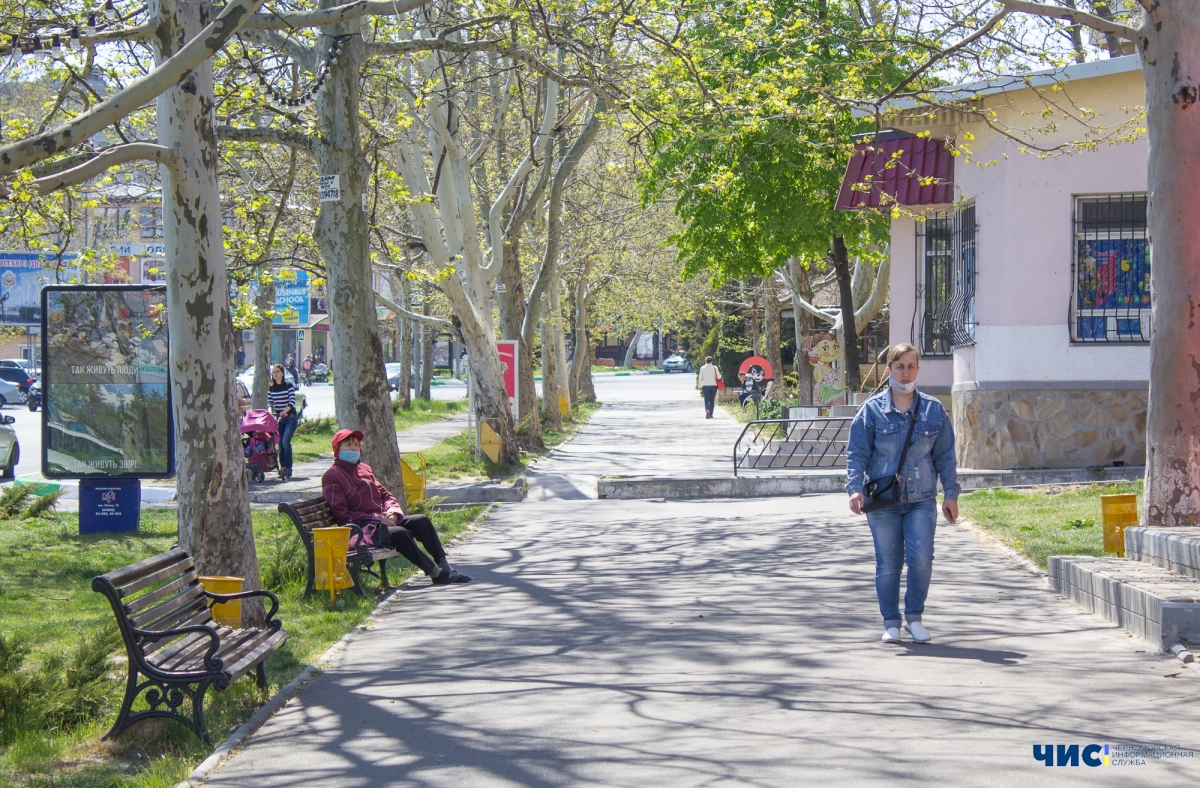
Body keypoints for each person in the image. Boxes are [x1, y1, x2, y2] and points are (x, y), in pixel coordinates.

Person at [846, 344, 959, 645]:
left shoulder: (934, 410)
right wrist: (855, 489)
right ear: (889, 370)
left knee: (921, 558)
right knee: (888, 562)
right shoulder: (870, 411)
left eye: (911, 366)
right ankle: (891, 621)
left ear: (918, 370)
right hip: (884, 502)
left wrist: (951, 494)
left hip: (922, 499)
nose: (905, 372)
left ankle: (914, 617)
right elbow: (856, 454)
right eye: (899, 367)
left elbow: (945, 457)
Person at [322, 429, 471, 585]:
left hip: (381, 522)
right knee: (400, 533)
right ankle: (435, 573)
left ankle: (445, 566)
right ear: (337, 450)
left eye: (356, 444)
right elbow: (342, 516)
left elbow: (385, 495)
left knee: (421, 521)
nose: (353, 448)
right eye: (348, 445)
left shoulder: (364, 469)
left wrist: (392, 512)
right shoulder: (332, 476)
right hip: (360, 529)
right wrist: (378, 518)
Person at [267, 364, 298, 480]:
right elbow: (269, 402)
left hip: (290, 417)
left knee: (285, 441)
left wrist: (285, 411)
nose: (275, 374)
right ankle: (282, 468)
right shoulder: (272, 387)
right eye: (274, 372)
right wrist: (270, 412)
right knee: (279, 444)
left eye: (277, 372)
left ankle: (288, 468)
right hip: (279, 419)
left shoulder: (288, 385)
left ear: (282, 373)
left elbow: (292, 401)